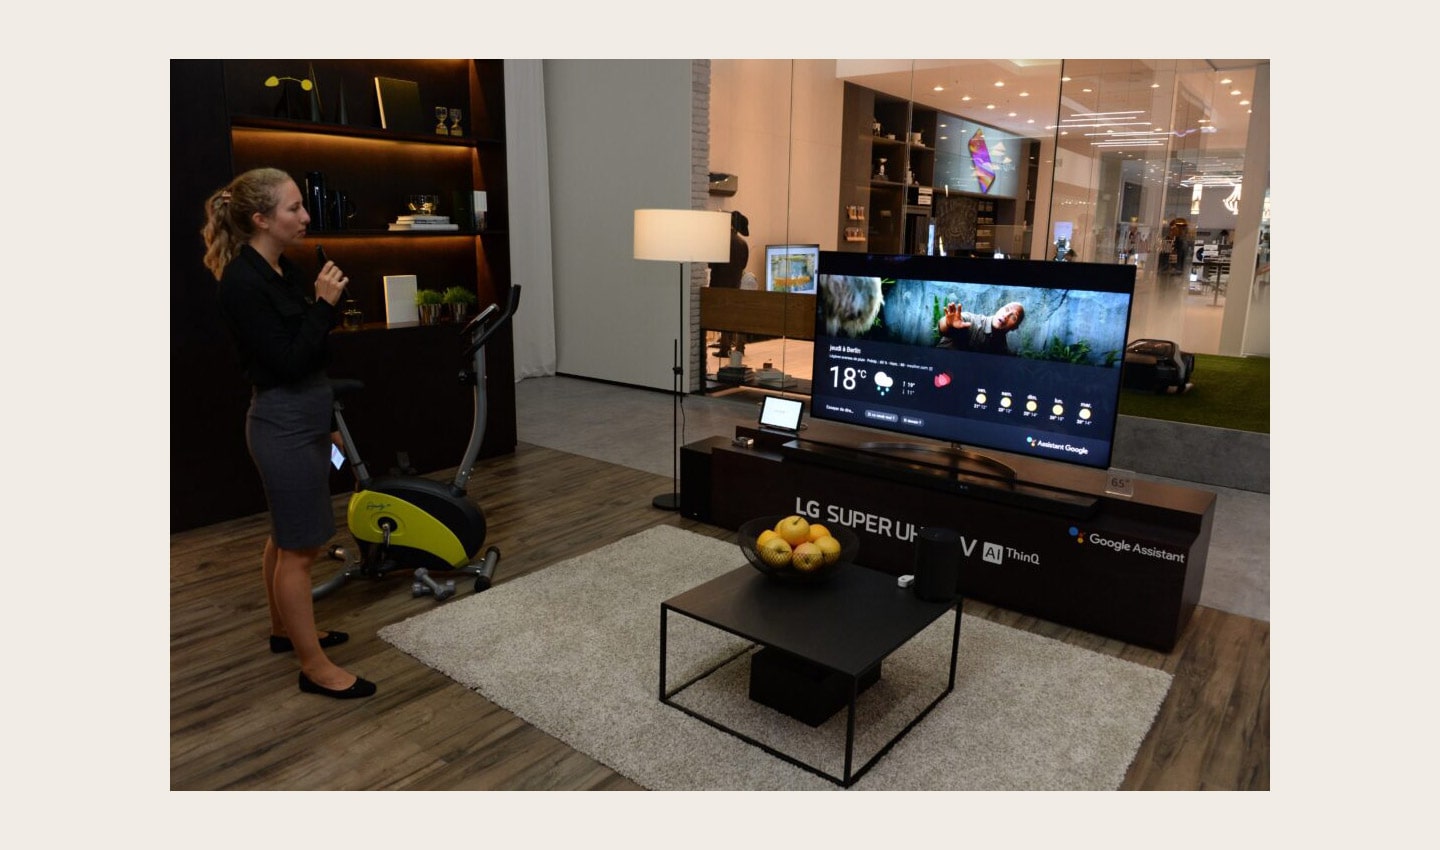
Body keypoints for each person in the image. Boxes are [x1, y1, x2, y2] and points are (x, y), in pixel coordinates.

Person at [201, 167, 376, 700]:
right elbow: (285, 362)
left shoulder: (279, 270)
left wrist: (326, 428)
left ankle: (285, 632)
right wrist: (324, 306)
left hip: (303, 418)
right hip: (280, 422)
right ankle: (313, 666)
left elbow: (313, 358)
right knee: (302, 549)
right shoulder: (242, 283)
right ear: (260, 219)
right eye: (294, 208)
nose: (305, 216)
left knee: (285, 536)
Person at [937, 300, 1025, 354]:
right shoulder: (972, 321)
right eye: (1006, 309)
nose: (1006, 315)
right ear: (999, 308)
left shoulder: (1002, 351)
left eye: (1013, 317)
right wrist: (948, 324)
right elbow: (943, 329)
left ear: (1014, 327)